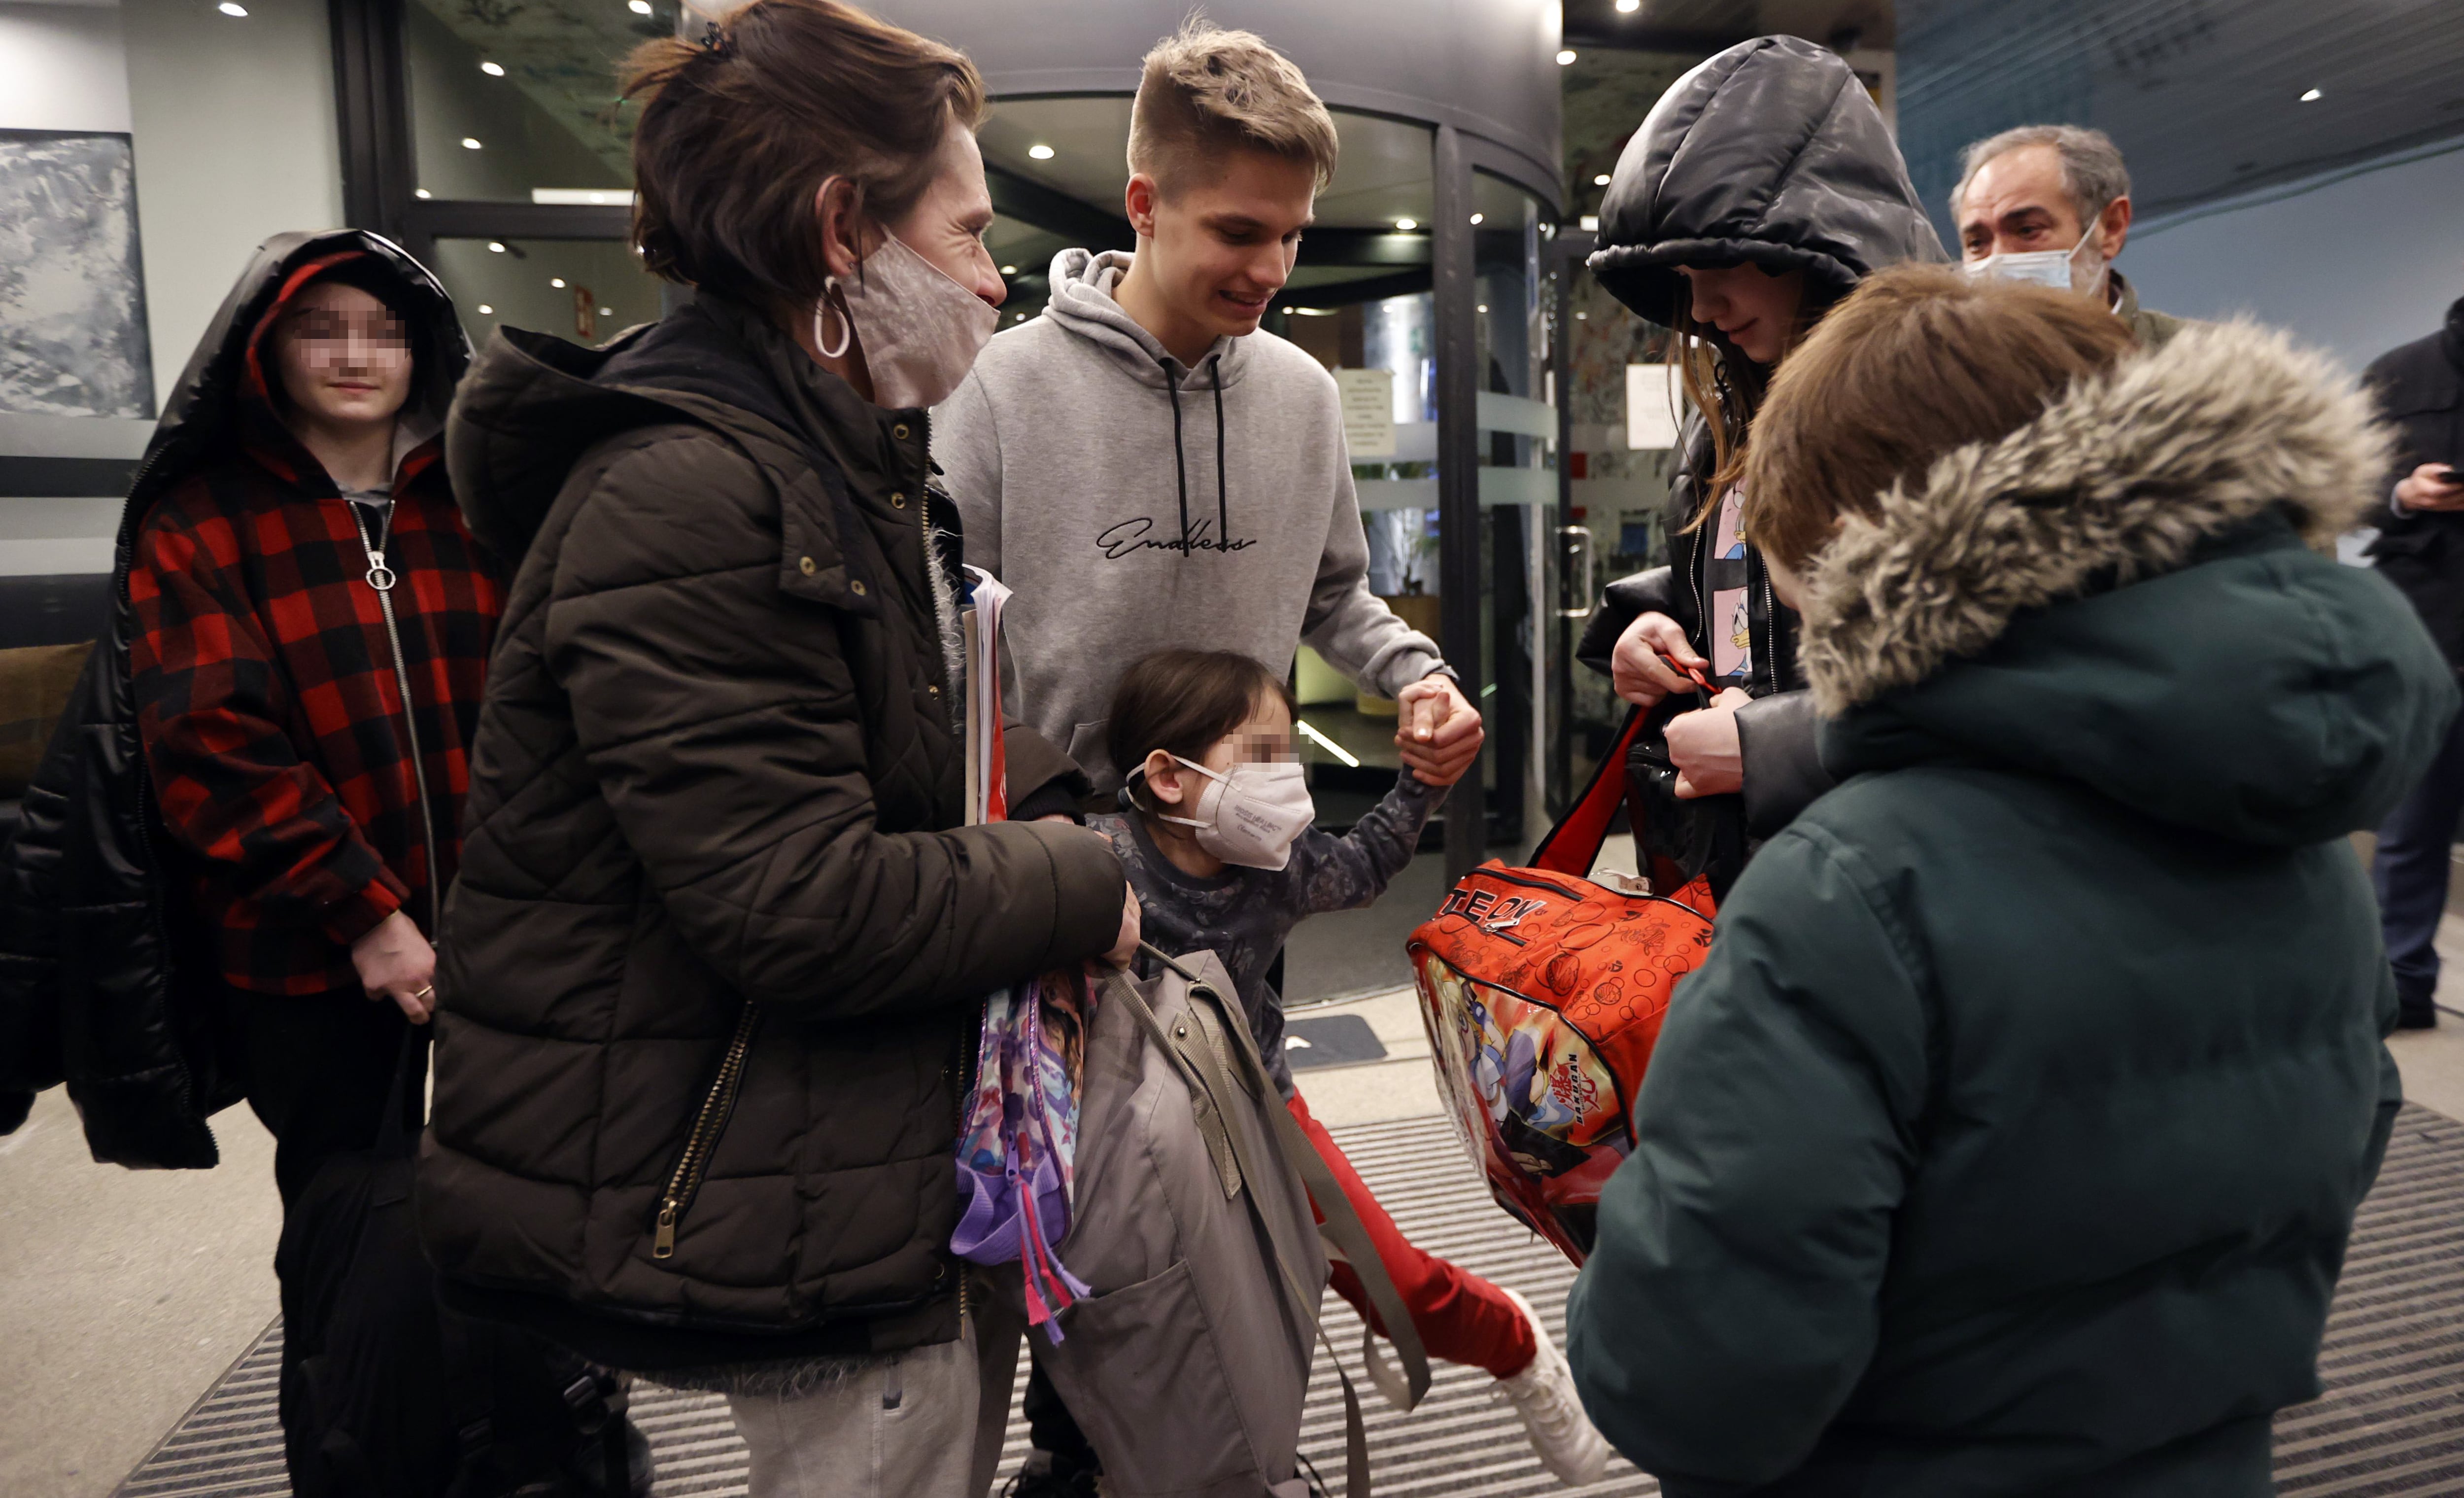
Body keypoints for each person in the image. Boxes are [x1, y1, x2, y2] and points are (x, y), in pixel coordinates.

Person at [1566, 264, 2454, 1495]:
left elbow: (1693, 1379)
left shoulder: (1846, 893)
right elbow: (2344, 1132)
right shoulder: (2300, 839)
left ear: (1849, 550)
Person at [412, 5, 1135, 1497]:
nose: (995, 275)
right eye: (968, 227)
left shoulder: (839, 463)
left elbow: (908, 749)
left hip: (845, 1141)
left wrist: (1071, 805)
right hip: (770, 1175)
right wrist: (1075, 877)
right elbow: (803, 902)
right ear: (837, 232)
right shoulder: (691, 493)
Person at [1071, 649, 1604, 1487]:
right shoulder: (1090, 863)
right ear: (1169, 777)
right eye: (1263, 756)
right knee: (1154, 1323)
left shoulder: (1275, 864)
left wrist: (1423, 782)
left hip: (1260, 1114)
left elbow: (1365, 865)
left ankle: (1518, 1344)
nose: (1288, 778)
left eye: (1291, 752)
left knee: (1396, 1287)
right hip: (1130, 1142)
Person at [932, 19, 1481, 796]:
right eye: (1239, 232)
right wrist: (1034, 808)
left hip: (1251, 840)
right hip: (1059, 850)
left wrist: (1421, 677)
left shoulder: (1305, 394)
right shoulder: (996, 384)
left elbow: (1333, 596)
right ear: (1144, 205)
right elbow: (946, 640)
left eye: (1293, 236)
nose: (1272, 269)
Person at [1578, 35, 1944, 891]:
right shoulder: (1726, 420)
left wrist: (1772, 743)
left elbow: (2007, 686)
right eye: (1682, 273)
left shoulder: (1935, 411)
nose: (1700, 307)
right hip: (1747, 876)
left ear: (1813, 242)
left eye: (1720, 260)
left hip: (1887, 885)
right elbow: (1732, 585)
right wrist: (1637, 629)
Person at [2361, 293, 2464, 1029]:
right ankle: (2401, 982)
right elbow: (2344, 487)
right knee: (2412, 822)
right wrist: (2405, 491)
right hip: (2425, 627)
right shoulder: (2400, 374)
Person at [1952, 123, 2184, 346]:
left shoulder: (2205, 369)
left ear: (2111, 228)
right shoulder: (1945, 380)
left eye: (2027, 230)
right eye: (1977, 243)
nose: (1997, 261)